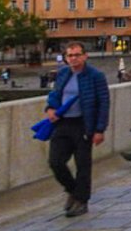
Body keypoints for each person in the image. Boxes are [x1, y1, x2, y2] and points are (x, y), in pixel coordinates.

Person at [44, 42, 110, 218]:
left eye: (77, 55)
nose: (73, 58)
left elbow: (104, 103)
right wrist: (50, 108)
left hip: (84, 124)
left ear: (85, 56)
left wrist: (99, 129)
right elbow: (55, 94)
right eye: (70, 55)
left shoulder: (96, 76)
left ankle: (82, 201)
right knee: (55, 161)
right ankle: (73, 190)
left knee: (83, 164)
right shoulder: (63, 73)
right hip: (63, 123)